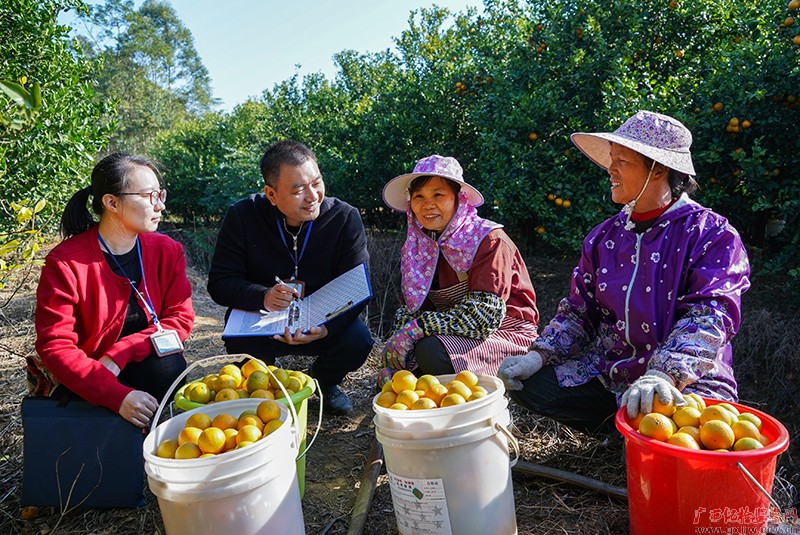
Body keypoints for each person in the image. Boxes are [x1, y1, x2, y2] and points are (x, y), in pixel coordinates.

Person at [498, 110, 751, 433]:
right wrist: (538, 356)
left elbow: (710, 316)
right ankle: (620, 429)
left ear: (658, 168)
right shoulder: (604, 237)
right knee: (533, 385)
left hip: (684, 382)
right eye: (611, 160)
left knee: (678, 433)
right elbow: (579, 313)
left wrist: (663, 374)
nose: (610, 169)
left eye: (622, 161)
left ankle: (637, 433)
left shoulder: (711, 234)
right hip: (615, 375)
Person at [207, 139, 372, 416]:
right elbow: (220, 283)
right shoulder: (243, 217)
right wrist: (263, 296)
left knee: (358, 339)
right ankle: (266, 392)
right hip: (263, 322)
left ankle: (323, 382)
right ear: (271, 194)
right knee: (243, 350)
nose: (312, 196)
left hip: (320, 321)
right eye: (298, 190)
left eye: (316, 183)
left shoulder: (344, 219)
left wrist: (327, 327)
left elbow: (358, 287)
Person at [29, 153, 195, 428]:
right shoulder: (66, 262)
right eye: (149, 196)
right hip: (89, 370)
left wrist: (120, 353)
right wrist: (117, 396)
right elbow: (55, 345)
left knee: (169, 367)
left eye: (160, 194)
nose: (161, 205)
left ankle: (148, 434)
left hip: (135, 359)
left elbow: (180, 318)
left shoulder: (167, 251)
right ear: (112, 202)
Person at [378, 154, 539, 382]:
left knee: (431, 352)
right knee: (402, 374)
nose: (427, 204)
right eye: (419, 196)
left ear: (458, 198)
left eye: (438, 195)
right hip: (450, 332)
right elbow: (415, 309)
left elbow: (482, 317)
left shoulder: (489, 240)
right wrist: (396, 345)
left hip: (504, 334)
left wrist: (417, 329)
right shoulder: (418, 248)